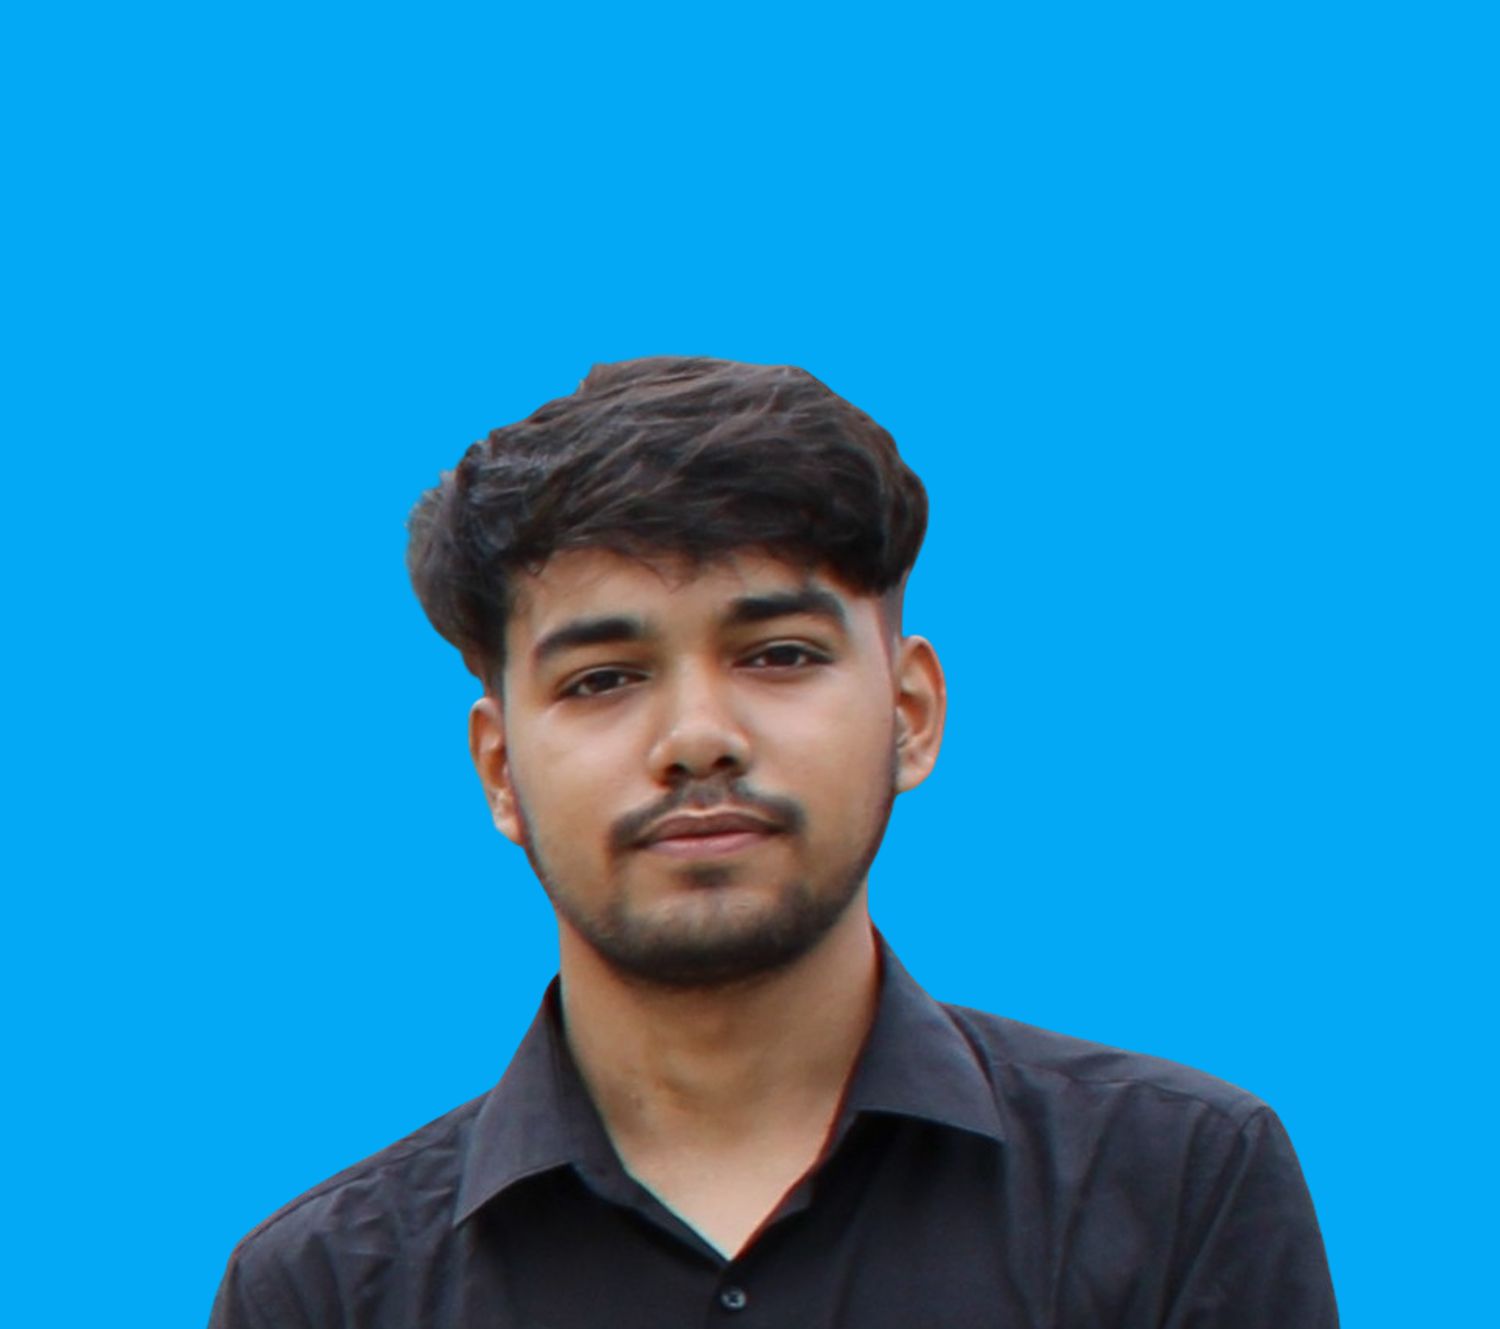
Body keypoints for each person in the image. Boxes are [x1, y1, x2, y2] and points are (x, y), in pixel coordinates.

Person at [208, 357, 1339, 1327]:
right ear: (500, 769)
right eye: (603, 678)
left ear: (910, 713)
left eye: (779, 654)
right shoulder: (326, 1290)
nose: (698, 738)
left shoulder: (1174, 1186)